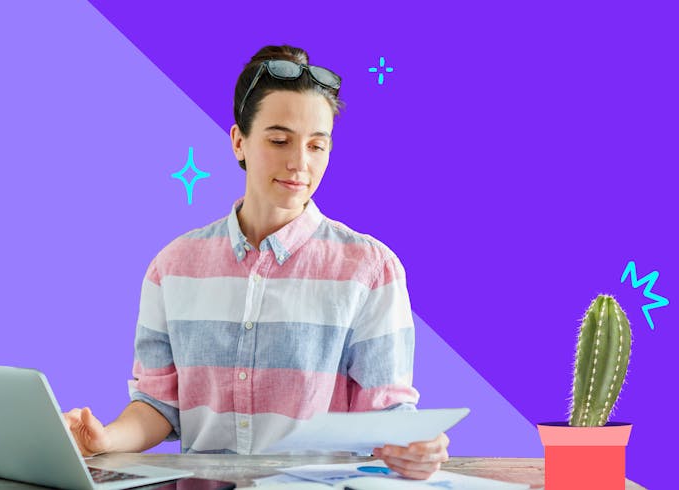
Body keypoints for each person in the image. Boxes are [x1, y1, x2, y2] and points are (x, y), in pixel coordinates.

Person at [61, 45, 450, 480]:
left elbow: (387, 414)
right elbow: (159, 404)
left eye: (317, 145)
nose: (299, 163)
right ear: (238, 142)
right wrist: (105, 439)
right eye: (279, 140)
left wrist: (416, 446)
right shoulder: (172, 268)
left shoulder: (370, 269)